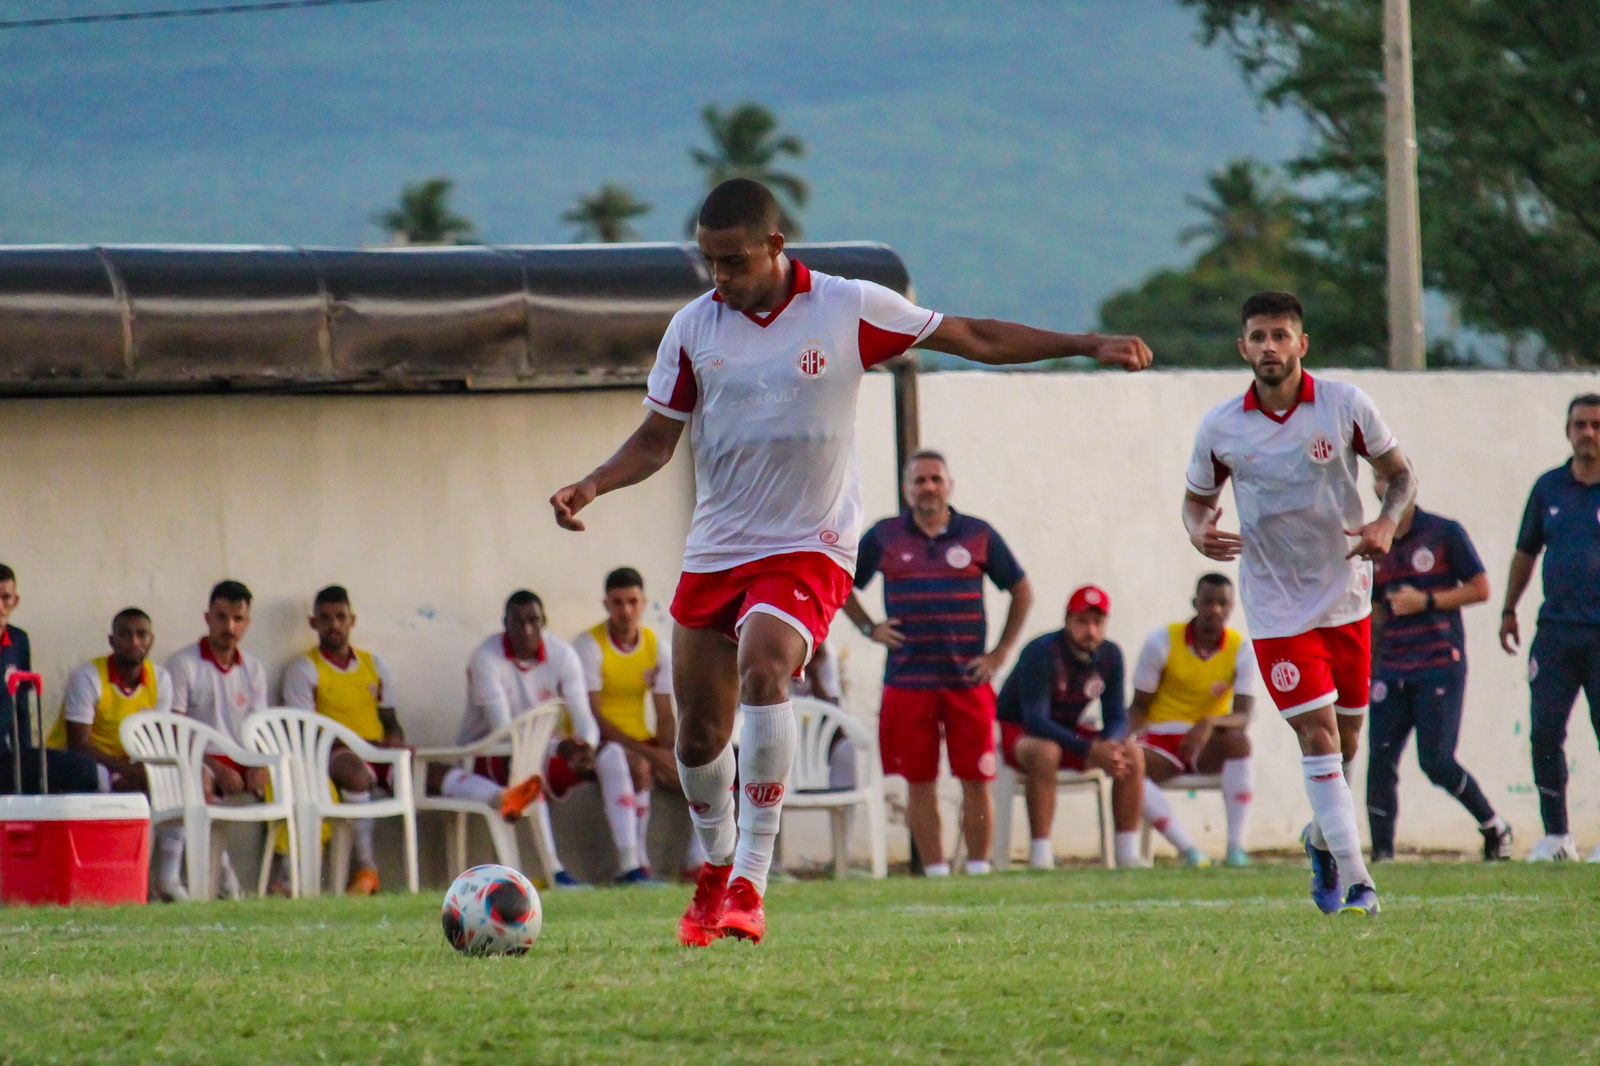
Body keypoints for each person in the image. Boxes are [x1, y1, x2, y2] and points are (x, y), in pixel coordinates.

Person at [549, 177, 1152, 946]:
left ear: (776, 247)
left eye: (732, 262)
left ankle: (752, 882)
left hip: (810, 542)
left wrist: (1083, 344)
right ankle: (720, 865)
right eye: (707, 262)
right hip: (718, 546)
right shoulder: (693, 328)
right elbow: (656, 438)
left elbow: (969, 336)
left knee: (767, 663)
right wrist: (593, 485)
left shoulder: (846, 307)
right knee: (699, 738)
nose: (718, 279)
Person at [1183, 290, 1416, 917]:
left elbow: (1400, 476)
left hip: (1346, 598)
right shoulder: (1222, 426)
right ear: (1243, 347)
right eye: (1258, 337)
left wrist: (1387, 522)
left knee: (1345, 744)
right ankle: (1360, 877)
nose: (1269, 348)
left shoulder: (1345, 405)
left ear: (1301, 344)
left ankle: (1320, 837)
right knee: (1314, 736)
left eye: (1280, 335)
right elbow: (1196, 502)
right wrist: (1197, 530)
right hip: (1276, 607)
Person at [843, 449, 1033, 877]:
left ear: (950, 486)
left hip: (967, 680)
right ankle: (936, 872)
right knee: (919, 782)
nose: (928, 487)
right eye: (919, 481)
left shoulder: (978, 535)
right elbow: (840, 584)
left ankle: (980, 869)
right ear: (907, 489)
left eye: (935, 479)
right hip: (908, 681)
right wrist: (869, 628)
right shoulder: (885, 536)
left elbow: (1021, 590)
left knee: (976, 778)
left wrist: (1000, 653)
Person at [438, 589, 650, 888]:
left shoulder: (562, 655)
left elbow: (584, 718)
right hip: (492, 755)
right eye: (517, 622)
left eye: (533, 621)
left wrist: (585, 748)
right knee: (529, 765)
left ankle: (632, 867)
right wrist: (559, 746)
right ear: (504, 623)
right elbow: (506, 733)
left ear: (543, 622)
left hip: (546, 752)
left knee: (611, 754)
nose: (526, 630)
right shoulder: (486, 659)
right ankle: (555, 872)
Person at [1366, 480, 1510, 862]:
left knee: (1436, 761)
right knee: (1380, 761)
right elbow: (1377, 611)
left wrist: (1426, 600)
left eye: (1394, 478)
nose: (1386, 486)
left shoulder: (1444, 533)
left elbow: (1480, 589)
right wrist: (1368, 666)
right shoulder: (1374, 543)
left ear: (1410, 487)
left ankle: (1495, 826)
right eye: (1379, 479)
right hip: (1391, 666)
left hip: (1438, 665)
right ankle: (1382, 855)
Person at [1500, 393, 1600, 862]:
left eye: (1597, 425)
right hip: (1557, 632)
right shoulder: (1549, 489)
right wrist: (1508, 609)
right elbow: (1526, 551)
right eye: (1580, 425)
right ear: (1568, 431)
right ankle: (1556, 836)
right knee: (1544, 732)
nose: (1589, 433)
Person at [996, 585, 1145, 869]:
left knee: (1131, 752)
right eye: (1082, 621)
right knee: (1045, 752)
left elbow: (1116, 716)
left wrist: (1111, 745)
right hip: (1021, 731)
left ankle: (1128, 854)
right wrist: (1090, 748)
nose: (1090, 630)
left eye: (1097, 622)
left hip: (1066, 730)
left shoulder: (1110, 655)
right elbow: (1035, 720)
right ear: (1067, 621)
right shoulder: (1042, 652)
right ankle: (1040, 855)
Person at [46, 607, 186, 898]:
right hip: (78, 765)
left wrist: (143, 773)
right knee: (95, 776)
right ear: (111, 640)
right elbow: (79, 744)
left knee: (174, 783)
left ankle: (167, 881)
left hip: (126, 765)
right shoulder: (88, 677)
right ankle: (106, 884)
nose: (133, 641)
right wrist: (123, 771)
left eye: (141, 634)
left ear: (151, 640)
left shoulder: (160, 679)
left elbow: (156, 740)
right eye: (125, 634)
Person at [279, 585, 408, 895]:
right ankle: (367, 868)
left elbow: (391, 720)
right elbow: (306, 730)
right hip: (334, 752)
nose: (333, 625)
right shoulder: (304, 669)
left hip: (375, 749)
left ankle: (500, 798)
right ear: (314, 624)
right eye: (325, 618)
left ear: (352, 620)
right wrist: (354, 746)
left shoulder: (373, 665)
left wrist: (395, 740)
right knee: (357, 775)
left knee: (426, 770)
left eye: (340, 617)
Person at [572, 567, 696, 881]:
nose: (625, 610)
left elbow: (665, 713)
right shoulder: (589, 645)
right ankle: (634, 864)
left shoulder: (656, 647)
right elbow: (595, 718)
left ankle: (699, 864)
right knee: (634, 764)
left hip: (640, 743)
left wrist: (669, 755)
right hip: (598, 742)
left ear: (643, 603)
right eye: (617, 602)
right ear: (606, 604)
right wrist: (654, 757)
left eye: (632, 601)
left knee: (702, 774)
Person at [1128, 574, 1256, 868]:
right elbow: (1138, 706)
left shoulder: (1241, 649)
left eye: (1222, 603)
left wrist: (1209, 723)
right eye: (1208, 601)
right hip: (1161, 737)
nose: (1215, 610)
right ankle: (1190, 851)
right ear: (1195, 603)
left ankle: (1236, 849)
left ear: (1232, 607)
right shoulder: (1162, 641)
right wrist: (1124, 740)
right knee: (1131, 766)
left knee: (1240, 742)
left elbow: (1244, 715)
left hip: (1207, 742)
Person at [165, 579, 271, 900]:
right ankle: (195, 879)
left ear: (247, 623)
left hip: (238, 757)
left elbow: (259, 728)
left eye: (238, 619)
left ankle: (286, 879)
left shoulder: (252, 668)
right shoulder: (183, 663)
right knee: (197, 782)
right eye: (222, 617)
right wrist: (211, 764)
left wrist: (260, 763)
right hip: (197, 756)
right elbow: (176, 729)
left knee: (290, 783)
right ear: (207, 618)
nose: (230, 627)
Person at [0, 563, 100, 796]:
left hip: (5, 757)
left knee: (83, 769)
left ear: (15, 601)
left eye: (6, 598)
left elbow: (21, 708)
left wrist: (25, 759)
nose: (0, 607)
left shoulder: (18, 640)